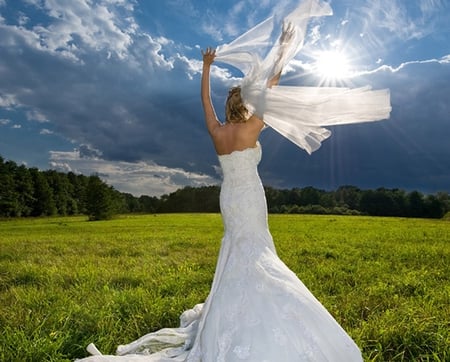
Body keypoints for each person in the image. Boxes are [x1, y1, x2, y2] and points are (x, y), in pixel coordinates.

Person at [77, 1, 390, 360]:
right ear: (247, 104)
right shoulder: (253, 127)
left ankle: (230, 316)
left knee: (237, 249)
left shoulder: (218, 131)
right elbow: (271, 86)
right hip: (251, 197)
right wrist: (284, 49)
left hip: (229, 198)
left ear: (227, 108)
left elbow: (204, 103)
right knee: (257, 251)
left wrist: (206, 67)